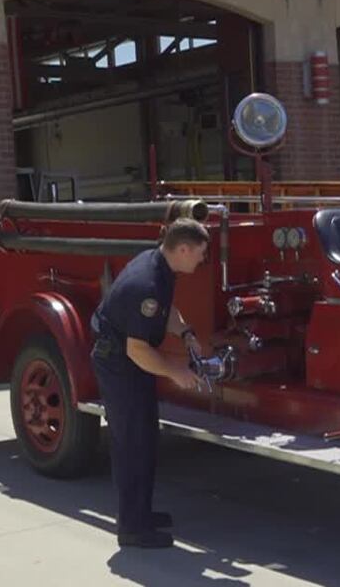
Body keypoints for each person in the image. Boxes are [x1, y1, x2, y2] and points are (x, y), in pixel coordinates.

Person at [90, 217, 209, 549]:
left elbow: (166, 312)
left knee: (145, 438)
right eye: (200, 253)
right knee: (132, 444)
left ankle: (140, 513)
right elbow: (137, 349)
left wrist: (185, 332)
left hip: (131, 363)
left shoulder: (160, 266)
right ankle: (131, 528)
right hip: (120, 364)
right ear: (182, 249)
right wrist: (177, 373)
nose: (202, 259)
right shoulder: (148, 285)